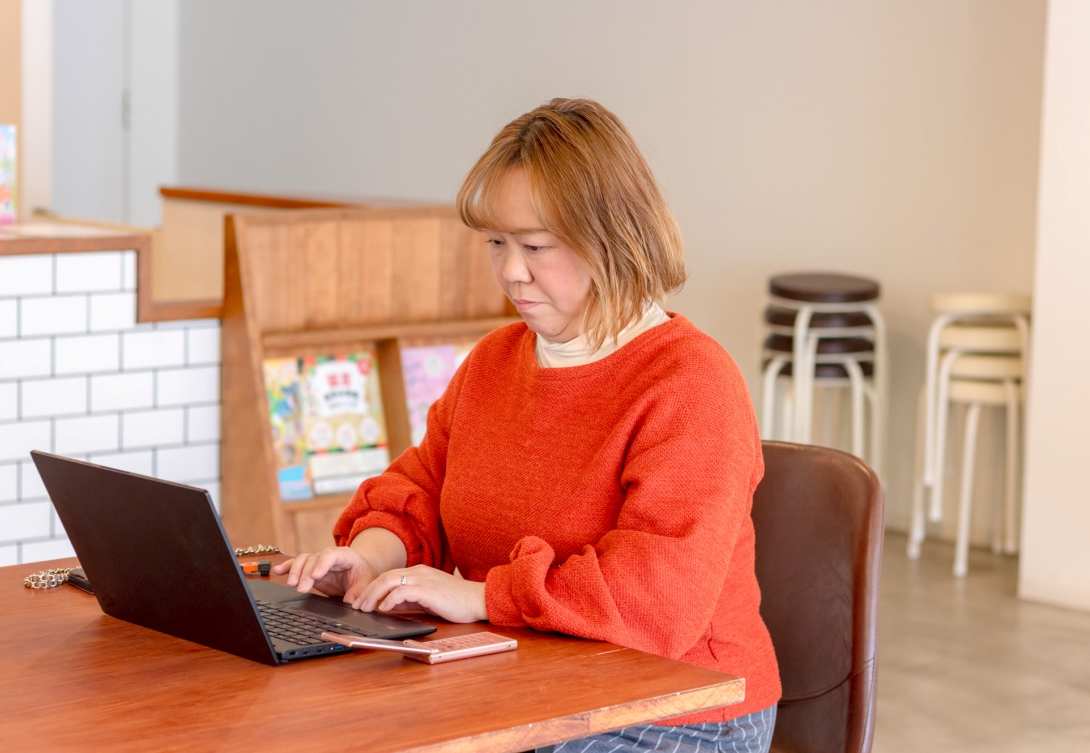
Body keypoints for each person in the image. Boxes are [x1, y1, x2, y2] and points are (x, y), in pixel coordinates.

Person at [275, 97, 780, 752]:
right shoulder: (492, 362)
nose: (511, 271)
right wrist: (368, 558)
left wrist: (481, 596)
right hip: (528, 676)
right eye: (496, 243)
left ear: (612, 237)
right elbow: (421, 487)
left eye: (536, 246)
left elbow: (656, 602)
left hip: (682, 709)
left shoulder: (691, 382)